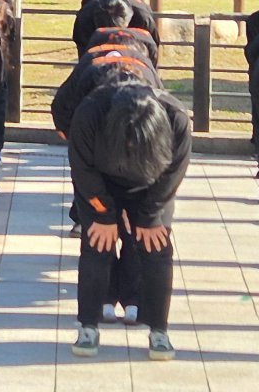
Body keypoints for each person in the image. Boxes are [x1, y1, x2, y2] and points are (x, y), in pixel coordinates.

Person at [68, 81, 190, 361]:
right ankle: (88, 326)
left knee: (156, 246)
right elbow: (82, 168)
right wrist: (103, 214)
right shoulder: (90, 113)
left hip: (151, 186)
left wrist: (150, 216)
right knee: (97, 243)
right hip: (102, 183)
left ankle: (159, 331)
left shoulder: (176, 119)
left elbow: (173, 174)